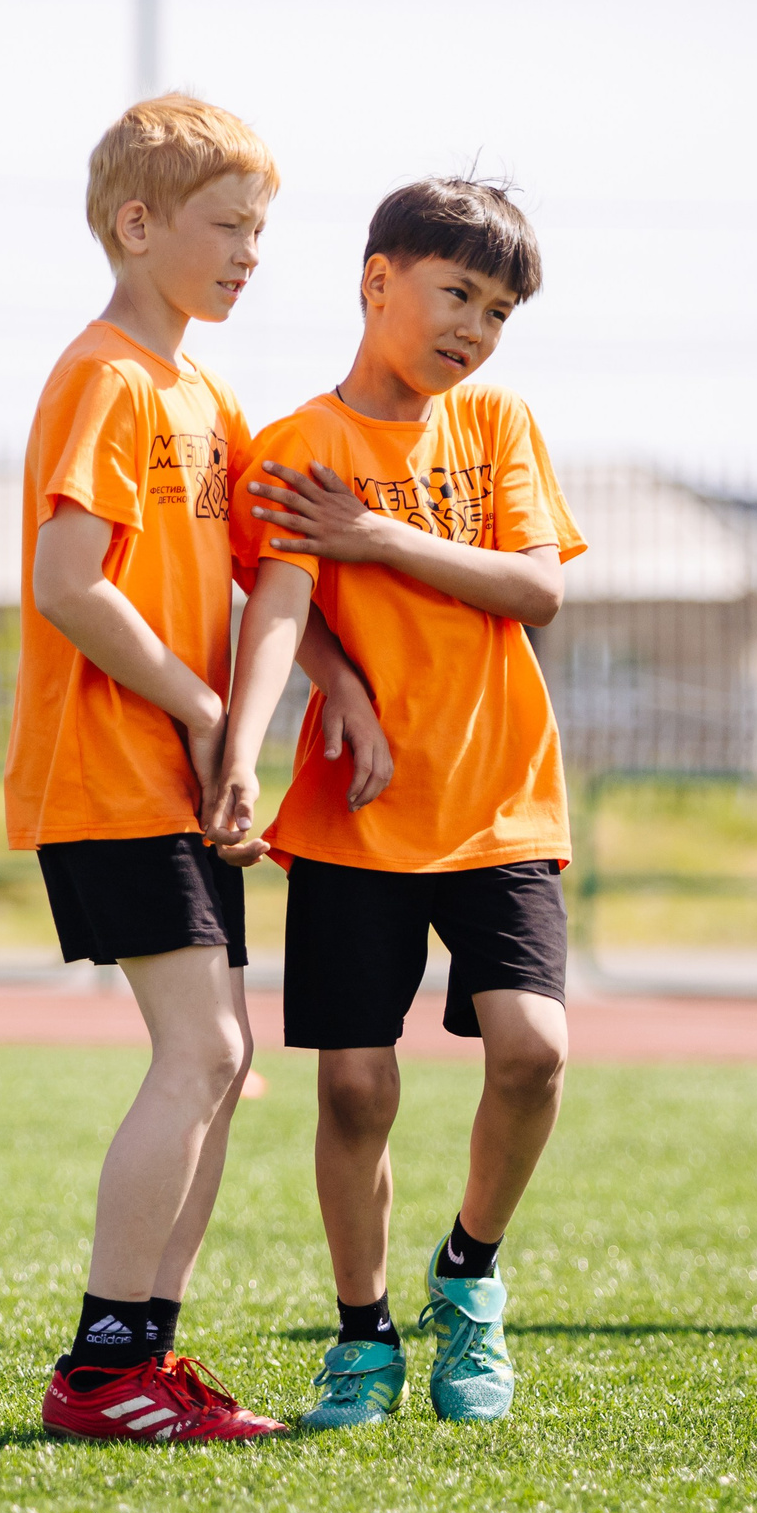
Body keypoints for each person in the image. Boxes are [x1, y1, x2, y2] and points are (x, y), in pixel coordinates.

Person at [9, 95, 357, 1444]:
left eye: (262, 230)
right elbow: (68, 585)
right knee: (204, 1046)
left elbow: (268, 575)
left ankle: (149, 1355)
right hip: (111, 768)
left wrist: (332, 692)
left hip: (182, 772)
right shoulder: (106, 374)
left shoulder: (209, 392)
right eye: (228, 224)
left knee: (224, 1054)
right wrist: (213, 709)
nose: (250, 252)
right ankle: (100, 1370)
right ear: (138, 223)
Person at [210, 177, 578, 1430]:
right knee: (356, 1090)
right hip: (357, 816)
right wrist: (288, 723)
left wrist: (377, 537)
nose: (473, 327)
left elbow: (534, 592)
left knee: (535, 1051)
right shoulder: (297, 445)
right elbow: (272, 604)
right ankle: (362, 1336)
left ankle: (467, 1275)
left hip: (500, 805)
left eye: (496, 309)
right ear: (377, 282)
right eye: (454, 293)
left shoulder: (499, 426)